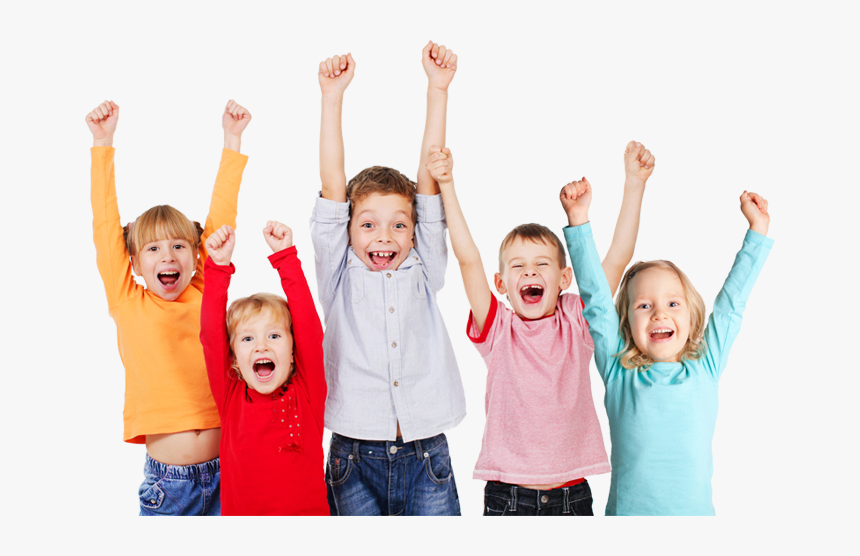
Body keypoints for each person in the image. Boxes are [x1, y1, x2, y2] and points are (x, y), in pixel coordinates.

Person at [427, 141, 654, 516]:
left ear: (565, 277)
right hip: (507, 497)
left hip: (572, 496)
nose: (529, 272)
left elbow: (617, 258)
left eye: (541, 264)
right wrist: (448, 185)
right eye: (517, 266)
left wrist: (635, 184)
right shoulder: (498, 327)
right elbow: (469, 260)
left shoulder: (577, 320)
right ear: (500, 283)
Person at [312, 43, 465, 516]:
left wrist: (437, 90)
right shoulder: (338, 270)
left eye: (399, 224)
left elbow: (427, 184)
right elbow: (333, 182)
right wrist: (331, 98)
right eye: (368, 224)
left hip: (426, 452)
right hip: (353, 454)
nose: (385, 236)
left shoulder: (424, 264)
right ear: (348, 228)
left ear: (415, 232)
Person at [562, 176, 773, 515]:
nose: (659, 312)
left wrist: (757, 230)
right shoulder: (620, 371)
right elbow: (597, 302)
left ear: (691, 317)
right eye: (644, 305)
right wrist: (578, 221)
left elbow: (731, 304)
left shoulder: (706, 366)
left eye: (673, 304)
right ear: (627, 323)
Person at [88, 99, 250, 515]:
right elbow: (106, 227)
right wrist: (102, 144)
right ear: (134, 262)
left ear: (195, 255)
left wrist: (232, 141)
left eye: (180, 246)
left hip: (231, 473)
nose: (168, 257)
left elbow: (220, 225)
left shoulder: (204, 290)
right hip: (169, 486)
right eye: (154, 248)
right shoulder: (128, 302)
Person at [199, 222, 328, 515]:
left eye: (274, 335)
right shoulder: (231, 396)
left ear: (293, 352)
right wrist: (218, 267)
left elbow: (309, 328)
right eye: (247, 338)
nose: (261, 346)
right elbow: (210, 337)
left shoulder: (308, 392)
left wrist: (286, 259)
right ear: (233, 358)